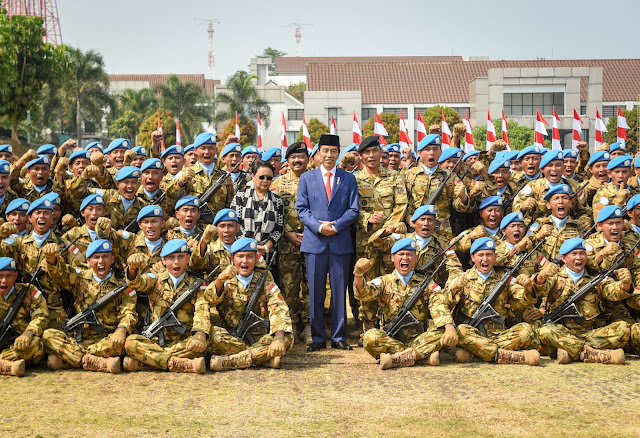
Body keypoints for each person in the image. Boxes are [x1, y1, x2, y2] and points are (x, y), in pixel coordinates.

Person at [296, 134, 359, 351]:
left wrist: (337, 225)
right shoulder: (306, 178)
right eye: (325, 150)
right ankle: (318, 338)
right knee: (315, 292)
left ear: (338, 153)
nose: (329, 155)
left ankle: (339, 337)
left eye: (333, 151)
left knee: (339, 291)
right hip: (315, 242)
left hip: (340, 241)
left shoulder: (348, 178)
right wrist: (320, 227)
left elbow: (353, 209)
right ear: (318, 153)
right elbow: (302, 209)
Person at [354, 238, 458, 369]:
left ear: (415, 258)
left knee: (441, 331)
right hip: (392, 339)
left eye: (409, 254)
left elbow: (439, 305)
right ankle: (420, 357)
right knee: (370, 337)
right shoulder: (384, 281)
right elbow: (364, 293)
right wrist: (358, 275)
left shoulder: (426, 283)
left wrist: (449, 327)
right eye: (401, 254)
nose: (405, 258)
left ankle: (398, 358)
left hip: (420, 338)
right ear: (392, 258)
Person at [41, 239, 136, 373]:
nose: (101, 262)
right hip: (81, 340)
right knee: (47, 335)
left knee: (127, 343)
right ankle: (96, 362)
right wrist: (51, 259)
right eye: (96, 257)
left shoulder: (122, 285)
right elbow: (60, 273)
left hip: (108, 341)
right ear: (88, 261)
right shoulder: (79, 278)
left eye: (105, 256)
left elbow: (129, 311)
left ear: (113, 259)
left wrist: (121, 331)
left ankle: (74, 359)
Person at [535, 238, 631, 364]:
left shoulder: (595, 278)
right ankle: (591, 353)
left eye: (582, 253)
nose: (579, 257)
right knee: (545, 331)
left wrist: (625, 284)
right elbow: (539, 290)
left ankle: (572, 352)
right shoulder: (555, 276)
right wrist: (541, 276)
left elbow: (612, 291)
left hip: (591, 333)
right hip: (562, 332)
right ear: (563, 258)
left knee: (623, 328)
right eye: (574, 254)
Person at [123, 239, 209, 374]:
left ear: (187, 258)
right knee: (130, 342)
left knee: (206, 341)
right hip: (156, 341)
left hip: (184, 341)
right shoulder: (154, 279)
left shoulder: (196, 284)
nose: (176, 262)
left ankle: (150, 361)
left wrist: (199, 334)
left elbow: (202, 308)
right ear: (163, 260)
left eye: (180, 257)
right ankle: (176, 363)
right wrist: (133, 269)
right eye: (171, 258)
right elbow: (137, 283)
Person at [207, 238, 293, 371]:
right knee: (211, 334)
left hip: (260, 338)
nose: (245, 261)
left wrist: (278, 338)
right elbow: (209, 299)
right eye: (240, 256)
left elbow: (279, 306)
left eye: (250, 257)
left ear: (256, 258)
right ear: (232, 258)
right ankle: (261, 359)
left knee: (287, 338)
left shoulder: (265, 280)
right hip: (232, 338)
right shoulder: (225, 278)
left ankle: (231, 361)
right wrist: (220, 279)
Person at [0, 257, 48, 377]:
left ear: (16, 276)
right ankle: (9, 366)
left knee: (37, 343)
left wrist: (29, 332)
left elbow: (41, 315)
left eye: (9, 276)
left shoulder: (29, 290)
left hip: (20, 346)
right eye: (0, 276)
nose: (4, 281)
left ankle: (5, 363)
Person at [231, 160, 284, 256]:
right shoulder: (241, 196)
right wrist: (251, 245)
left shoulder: (277, 201)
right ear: (253, 176)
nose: (265, 181)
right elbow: (235, 224)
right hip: (243, 250)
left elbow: (279, 228)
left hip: (267, 252)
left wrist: (267, 246)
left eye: (269, 178)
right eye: (261, 177)